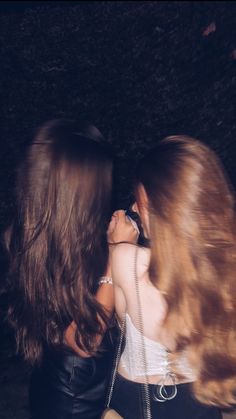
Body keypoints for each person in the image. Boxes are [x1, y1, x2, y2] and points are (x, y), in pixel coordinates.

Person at [109, 136, 236, 418]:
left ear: (157, 211)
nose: (135, 209)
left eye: (140, 204)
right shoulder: (228, 272)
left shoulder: (126, 260)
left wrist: (115, 244)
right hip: (201, 404)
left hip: (136, 404)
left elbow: (121, 321)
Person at [5, 119, 117, 419]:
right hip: (78, 400)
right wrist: (116, 257)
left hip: (50, 385)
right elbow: (84, 341)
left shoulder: (28, 234)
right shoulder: (84, 250)